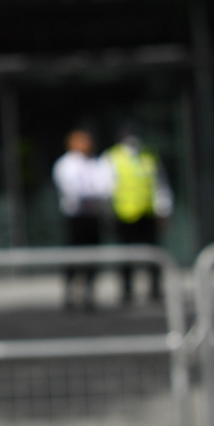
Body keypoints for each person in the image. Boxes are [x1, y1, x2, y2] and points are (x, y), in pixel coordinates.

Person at [105, 123, 172, 306]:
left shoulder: (149, 156)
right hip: (124, 214)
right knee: (126, 256)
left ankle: (155, 288)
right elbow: (106, 188)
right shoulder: (112, 157)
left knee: (152, 254)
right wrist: (108, 211)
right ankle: (127, 290)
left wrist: (163, 209)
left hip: (147, 213)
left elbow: (160, 185)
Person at [51, 129, 111, 312]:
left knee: (93, 256)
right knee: (73, 256)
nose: (86, 144)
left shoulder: (96, 163)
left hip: (92, 216)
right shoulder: (65, 164)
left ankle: (89, 292)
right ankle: (70, 292)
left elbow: (105, 187)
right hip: (74, 217)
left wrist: (94, 195)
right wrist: (92, 194)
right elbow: (73, 191)